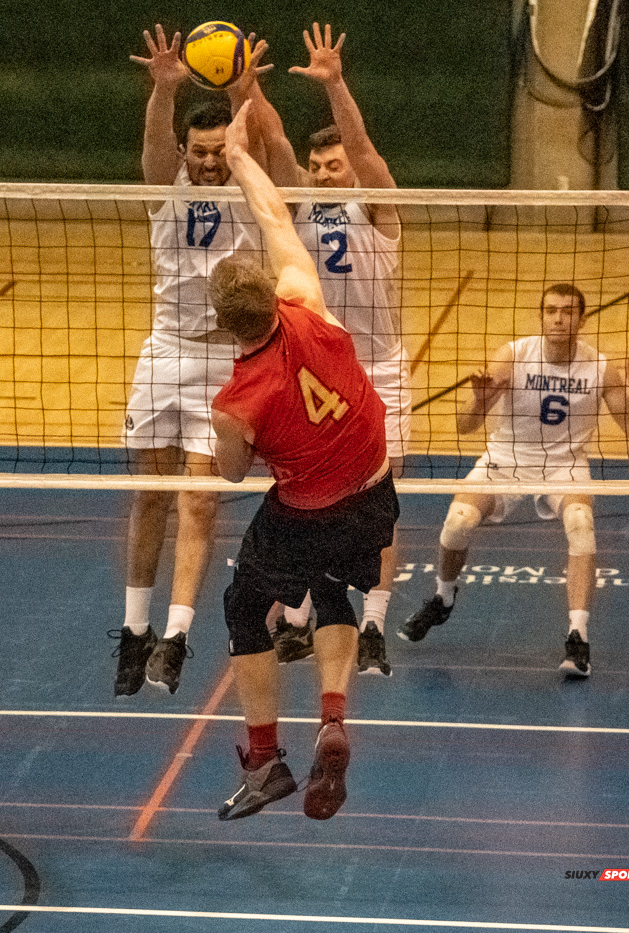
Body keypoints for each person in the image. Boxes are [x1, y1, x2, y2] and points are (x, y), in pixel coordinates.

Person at [207, 101, 397, 822]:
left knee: (243, 605)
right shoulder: (306, 301)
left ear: (227, 324)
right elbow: (275, 219)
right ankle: (334, 714)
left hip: (311, 505)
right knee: (333, 588)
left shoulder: (237, 399)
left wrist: (229, 427)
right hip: (376, 483)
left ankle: (264, 760)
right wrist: (237, 154)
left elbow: (230, 471)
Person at [113, 26, 293, 697]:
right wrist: (164, 90)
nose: (210, 161)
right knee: (149, 494)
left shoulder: (252, 189)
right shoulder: (168, 184)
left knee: (200, 501)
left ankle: (177, 635)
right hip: (165, 353)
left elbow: (278, 154)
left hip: (225, 363)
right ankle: (133, 632)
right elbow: (156, 145)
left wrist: (250, 90)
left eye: (220, 150)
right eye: (201, 151)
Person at [250, 25, 409, 678]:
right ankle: (297, 613)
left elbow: (365, 146)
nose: (321, 172)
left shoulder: (377, 209)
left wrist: (337, 84)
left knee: (379, 505)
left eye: (331, 165)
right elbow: (276, 144)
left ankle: (371, 624)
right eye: (317, 168)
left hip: (380, 371)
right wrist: (248, 87)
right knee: (307, 497)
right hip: (319, 376)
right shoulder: (301, 212)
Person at [399, 284, 629, 678]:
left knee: (581, 527)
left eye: (567, 311)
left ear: (581, 319)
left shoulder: (600, 368)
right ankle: (443, 598)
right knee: (457, 521)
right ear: (541, 316)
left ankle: (577, 637)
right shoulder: (515, 356)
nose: (558, 318)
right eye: (550, 310)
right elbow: (465, 427)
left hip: (565, 466)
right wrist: (480, 401)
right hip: (506, 459)